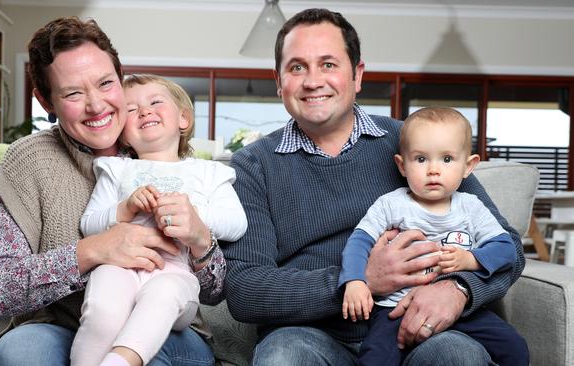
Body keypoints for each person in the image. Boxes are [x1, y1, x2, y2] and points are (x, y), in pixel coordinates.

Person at [222, 8, 525, 365]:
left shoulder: (414, 144)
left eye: (329, 64)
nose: (312, 80)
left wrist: (458, 289)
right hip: (310, 335)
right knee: (282, 356)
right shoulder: (255, 164)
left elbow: (509, 250)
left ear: (357, 74)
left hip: (419, 328)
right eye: (297, 67)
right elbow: (245, 290)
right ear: (279, 80)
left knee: (458, 355)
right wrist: (360, 279)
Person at [0, 17, 225, 366]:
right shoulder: (27, 163)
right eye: (73, 93)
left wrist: (201, 242)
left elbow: (214, 292)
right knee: (21, 352)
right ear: (46, 101)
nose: (96, 106)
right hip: (61, 326)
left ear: (120, 81)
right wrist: (93, 251)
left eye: (106, 84)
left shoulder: (158, 143)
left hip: (164, 325)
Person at [70, 74, 247, 366]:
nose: (144, 111)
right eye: (131, 109)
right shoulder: (115, 169)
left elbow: (237, 223)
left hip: (175, 273)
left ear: (183, 120)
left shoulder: (210, 173)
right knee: (103, 310)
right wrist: (124, 209)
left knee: (163, 296)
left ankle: (121, 362)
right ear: (123, 133)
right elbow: (89, 224)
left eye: (155, 102)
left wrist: (194, 218)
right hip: (119, 267)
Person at [339, 106, 528, 365]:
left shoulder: (471, 207)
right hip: (395, 309)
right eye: (421, 159)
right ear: (402, 165)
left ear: (468, 166)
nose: (433, 170)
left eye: (447, 159)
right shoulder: (391, 204)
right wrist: (355, 281)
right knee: (375, 357)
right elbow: (359, 241)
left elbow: (506, 249)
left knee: (515, 347)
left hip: (460, 310)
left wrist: (471, 260)